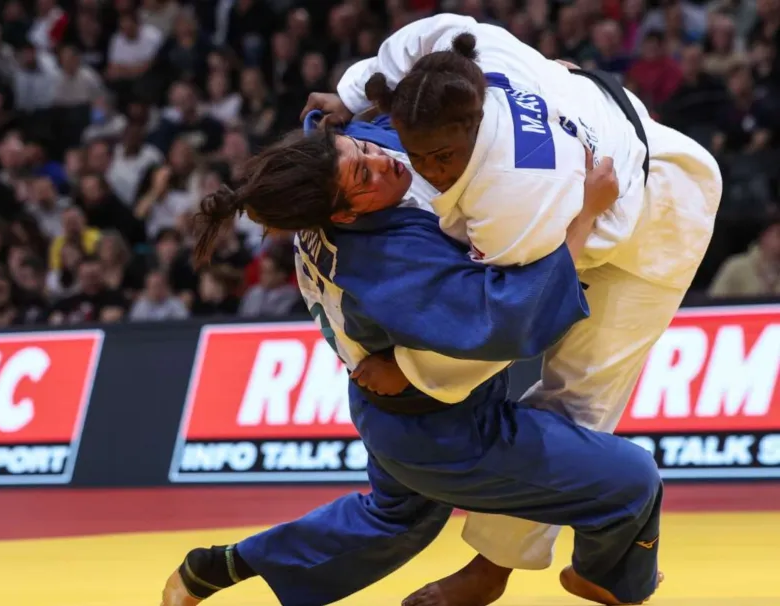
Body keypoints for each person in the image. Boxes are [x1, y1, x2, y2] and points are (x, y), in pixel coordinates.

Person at [297, 13, 721, 605]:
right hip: (604, 122)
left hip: (657, 214)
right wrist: (350, 92)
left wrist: (415, 372)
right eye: (414, 150)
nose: (425, 169)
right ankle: (508, 567)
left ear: (473, 127)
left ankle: (500, 572)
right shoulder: (469, 55)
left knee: (578, 398)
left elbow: (506, 324)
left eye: (442, 157)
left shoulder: (515, 197)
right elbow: (422, 38)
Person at [161, 116, 661, 606]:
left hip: (386, 408)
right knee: (630, 483)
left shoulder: (337, 161)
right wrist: (588, 213)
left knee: (392, 522)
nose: (381, 161)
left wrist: (348, 98)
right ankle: (611, 581)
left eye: (361, 151)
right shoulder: (385, 258)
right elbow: (514, 320)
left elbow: (355, 114)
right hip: (441, 432)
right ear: (343, 216)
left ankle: (218, 567)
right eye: (363, 175)